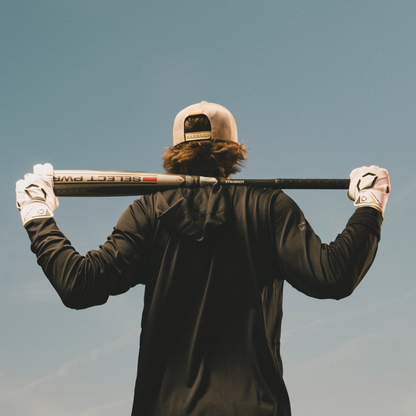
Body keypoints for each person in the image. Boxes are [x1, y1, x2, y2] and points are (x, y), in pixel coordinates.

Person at [16, 101, 390, 416]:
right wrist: (369, 206)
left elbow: (80, 285)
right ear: (233, 151)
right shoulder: (269, 207)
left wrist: (38, 216)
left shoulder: (147, 213)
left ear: (175, 153)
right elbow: (333, 276)